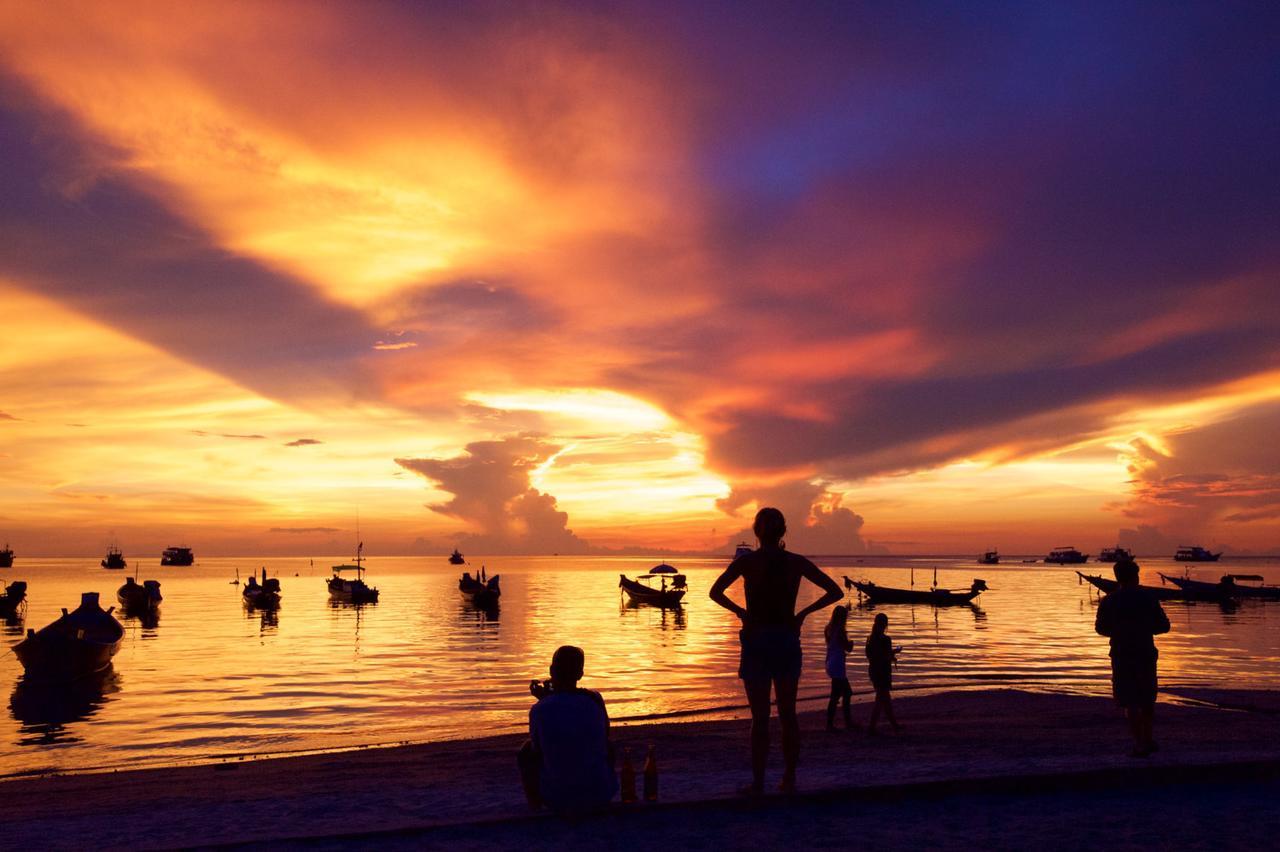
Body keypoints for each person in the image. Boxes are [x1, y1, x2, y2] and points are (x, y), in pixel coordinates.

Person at [709, 507, 844, 794]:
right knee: (787, 714)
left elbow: (715, 592)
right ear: (783, 532)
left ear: (757, 532)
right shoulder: (795, 562)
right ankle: (789, 779)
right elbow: (835, 592)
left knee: (760, 718)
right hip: (784, 638)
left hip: (758, 640)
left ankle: (759, 782)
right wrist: (802, 614)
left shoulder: (748, 563)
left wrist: (742, 613)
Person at [518, 645, 618, 814]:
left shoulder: (539, 709)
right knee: (608, 745)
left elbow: (538, 749)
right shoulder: (594, 699)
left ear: (551, 671)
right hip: (599, 795)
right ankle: (600, 783)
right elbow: (604, 736)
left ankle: (534, 807)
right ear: (580, 674)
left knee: (526, 751)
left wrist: (544, 700)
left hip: (557, 799)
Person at [1094, 557, 1170, 757]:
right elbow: (1164, 626)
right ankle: (1147, 738)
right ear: (1136, 576)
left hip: (1121, 653)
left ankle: (1138, 742)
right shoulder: (1148, 598)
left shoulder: (1109, 600)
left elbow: (1100, 628)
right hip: (1145, 652)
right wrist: (1144, 628)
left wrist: (1119, 630)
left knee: (1129, 701)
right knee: (1147, 699)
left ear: (1117, 577)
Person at [865, 613, 900, 733]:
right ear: (885, 624)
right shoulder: (886, 639)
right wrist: (894, 652)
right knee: (881, 700)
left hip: (874, 670)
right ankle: (871, 727)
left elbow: (871, 656)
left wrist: (891, 656)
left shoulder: (869, 639)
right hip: (883, 672)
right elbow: (885, 656)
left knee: (885, 700)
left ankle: (894, 724)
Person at [824, 605, 856, 731]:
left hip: (830, 662)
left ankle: (835, 723)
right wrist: (851, 643)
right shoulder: (840, 631)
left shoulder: (828, 629)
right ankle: (840, 724)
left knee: (839, 694)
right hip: (837, 664)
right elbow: (848, 648)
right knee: (844, 693)